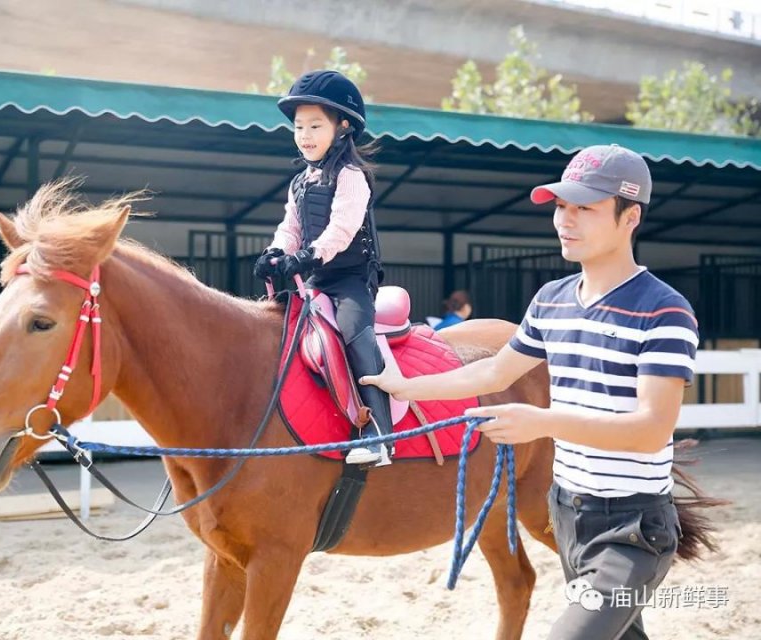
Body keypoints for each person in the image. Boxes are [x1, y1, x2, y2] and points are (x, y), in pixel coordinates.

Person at [360, 144, 699, 638]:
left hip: (631, 526)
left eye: (586, 207)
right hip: (568, 514)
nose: (566, 219)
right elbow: (493, 373)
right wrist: (406, 385)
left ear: (631, 217)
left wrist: (543, 422)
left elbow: (651, 431)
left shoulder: (664, 311)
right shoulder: (551, 301)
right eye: (562, 206)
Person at [253, 70, 390, 466]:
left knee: (353, 334)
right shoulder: (299, 182)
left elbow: (343, 229)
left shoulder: (351, 176)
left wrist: (309, 255)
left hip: (349, 279)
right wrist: (276, 252)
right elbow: (290, 226)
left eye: (315, 125)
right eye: (299, 127)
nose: (305, 134)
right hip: (313, 278)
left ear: (343, 127)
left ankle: (378, 433)